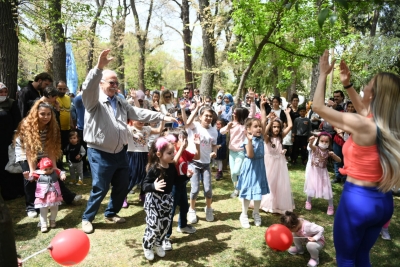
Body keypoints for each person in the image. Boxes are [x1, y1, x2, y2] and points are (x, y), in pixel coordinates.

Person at [313, 51, 397, 266]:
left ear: (375, 94)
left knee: (346, 259)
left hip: (358, 202)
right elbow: (362, 108)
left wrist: (323, 75)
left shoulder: (362, 125)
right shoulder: (389, 125)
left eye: (369, 83)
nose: (366, 85)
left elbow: (318, 108)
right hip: (382, 203)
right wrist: (348, 85)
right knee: (361, 256)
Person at [80, 49, 176, 234]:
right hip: (100, 152)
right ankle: (87, 218)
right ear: (101, 84)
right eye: (111, 82)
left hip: (120, 152)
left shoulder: (120, 101)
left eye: (117, 83)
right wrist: (99, 67)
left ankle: (111, 213)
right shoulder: (93, 102)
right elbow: (88, 88)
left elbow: (138, 113)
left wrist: (161, 116)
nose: (115, 86)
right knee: (100, 187)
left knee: (122, 185)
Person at [14, 100, 81, 218]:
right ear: (36, 114)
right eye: (42, 114)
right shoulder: (27, 125)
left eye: (48, 114)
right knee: (29, 177)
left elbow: (50, 148)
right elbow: (30, 150)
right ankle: (31, 206)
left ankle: (68, 197)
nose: (46, 117)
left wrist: (54, 167)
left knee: (52, 174)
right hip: (25, 151)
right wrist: (32, 170)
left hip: (43, 149)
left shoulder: (52, 125)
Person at [141, 135, 182, 261]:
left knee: (164, 225)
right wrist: (153, 185)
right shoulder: (154, 168)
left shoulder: (171, 168)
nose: (172, 155)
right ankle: (147, 246)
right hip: (153, 201)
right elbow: (144, 186)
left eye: (173, 152)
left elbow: (176, 180)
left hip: (167, 200)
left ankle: (158, 244)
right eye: (169, 153)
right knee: (153, 226)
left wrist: (187, 176)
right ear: (159, 154)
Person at [163, 128, 200, 251]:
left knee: (184, 206)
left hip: (182, 183)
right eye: (182, 139)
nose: (185, 141)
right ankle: (165, 237)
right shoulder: (172, 152)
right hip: (173, 186)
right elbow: (173, 162)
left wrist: (197, 145)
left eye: (186, 138)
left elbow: (197, 156)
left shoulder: (184, 151)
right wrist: (180, 148)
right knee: (171, 211)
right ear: (175, 141)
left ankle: (182, 225)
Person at [185, 104, 218, 223]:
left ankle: (209, 208)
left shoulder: (214, 131)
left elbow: (214, 145)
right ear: (200, 116)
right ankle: (192, 210)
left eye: (211, 116)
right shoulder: (195, 126)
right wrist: (196, 107)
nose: (209, 118)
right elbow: (187, 123)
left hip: (206, 164)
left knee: (208, 189)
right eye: (206, 115)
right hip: (193, 162)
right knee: (195, 189)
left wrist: (214, 152)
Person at [258, 107, 294, 214]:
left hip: (279, 162)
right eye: (274, 127)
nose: (276, 129)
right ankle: (266, 202)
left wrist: (287, 114)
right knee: (269, 182)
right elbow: (264, 133)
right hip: (268, 162)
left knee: (278, 183)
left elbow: (291, 126)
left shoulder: (281, 137)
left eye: (278, 127)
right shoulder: (267, 138)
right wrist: (271, 121)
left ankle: (276, 203)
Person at [220, 89, 254, 198]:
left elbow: (252, 113)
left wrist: (252, 100)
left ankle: (241, 186)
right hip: (231, 152)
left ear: (240, 114)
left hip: (241, 152)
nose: (233, 113)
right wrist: (227, 127)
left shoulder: (245, 124)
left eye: (235, 112)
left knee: (236, 172)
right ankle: (236, 190)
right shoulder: (231, 123)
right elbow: (221, 131)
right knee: (232, 174)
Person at [236, 118, 269, 228]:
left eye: (260, 126)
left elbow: (265, 124)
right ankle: (244, 214)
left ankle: (256, 212)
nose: (259, 128)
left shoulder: (261, 138)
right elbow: (250, 155)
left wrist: (264, 110)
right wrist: (249, 140)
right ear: (248, 129)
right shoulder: (247, 140)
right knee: (248, 190)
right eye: (255, 126)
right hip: (251, 167)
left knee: (258, 191)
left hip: (260, 167)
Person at [124, 118, 165, 206]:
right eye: (138, 119)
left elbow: (159, 130)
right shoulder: (129, 129)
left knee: (145, 175)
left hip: (145, 155)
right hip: (133, 155)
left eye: (143, 119)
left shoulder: (147, 128)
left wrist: (162, 120)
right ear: (132, 120)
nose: (141, 121)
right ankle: (124, 196)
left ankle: (142, 194)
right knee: (132, 176)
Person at [22, 157, 64, 233]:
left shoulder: (55, 172)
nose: (48, 171)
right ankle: (43, 223)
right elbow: (31, 179)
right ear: (41, 169)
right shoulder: (38, 174)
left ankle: (52, 219)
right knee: (43, 210)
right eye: (45, 169)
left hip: (54, 194)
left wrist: (62, 175)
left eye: (50, 168)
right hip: (43, 196)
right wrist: (27, 177)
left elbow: (61, 172)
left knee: (55, 208)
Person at [304, 133, 341, 215]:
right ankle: (308, 201)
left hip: (323, 173)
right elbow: (311, 146)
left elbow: (339, 160)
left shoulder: (328, 152)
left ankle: (331, 206)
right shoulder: (315, 149)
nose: (324, 143)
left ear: (329, 143)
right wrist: (311, 142)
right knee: (311, 186)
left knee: (326, 187)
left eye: (326, 141)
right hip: (314, 172)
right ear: (318, 141)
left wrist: (334, 155)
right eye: (322, 141)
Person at [0, 82, 23, 201]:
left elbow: (17, 122)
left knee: (9, 165)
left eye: (5, 92)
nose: (3, 94)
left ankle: (12, 191)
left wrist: (15, 138)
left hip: (8, 141)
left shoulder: (11, 103)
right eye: (1, 92)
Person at [56, 81, 73, 169]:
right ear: (56, 88)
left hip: (67, 128)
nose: (62, 91)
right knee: (59, 147)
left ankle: (68, 163)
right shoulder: (54, 98)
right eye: (60, 89)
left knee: (66, 147)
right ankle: (59, 166)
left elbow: (68, 112)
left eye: (64, 89)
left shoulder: (68, 98)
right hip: (58, 128)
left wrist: (72, 124)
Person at [73, 86, 90, 176]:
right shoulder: (79, 99)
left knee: (91, 150)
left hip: (92, 129)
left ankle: (91, 168)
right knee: (82, 150)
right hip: (82, 129)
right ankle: (84, 170)